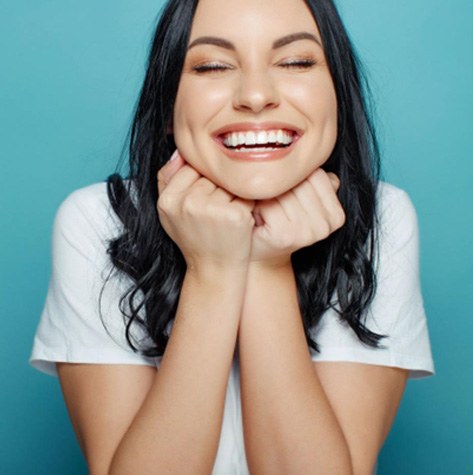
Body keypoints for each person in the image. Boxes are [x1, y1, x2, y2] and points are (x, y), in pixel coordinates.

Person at [30, 0, 435, 473]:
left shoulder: (380, 219)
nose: (257, 95)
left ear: (338, 94)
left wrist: (267, 265)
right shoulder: (100, 221)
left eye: (296, 61)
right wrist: (214, 271)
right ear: (167, 106)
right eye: (213, 66)